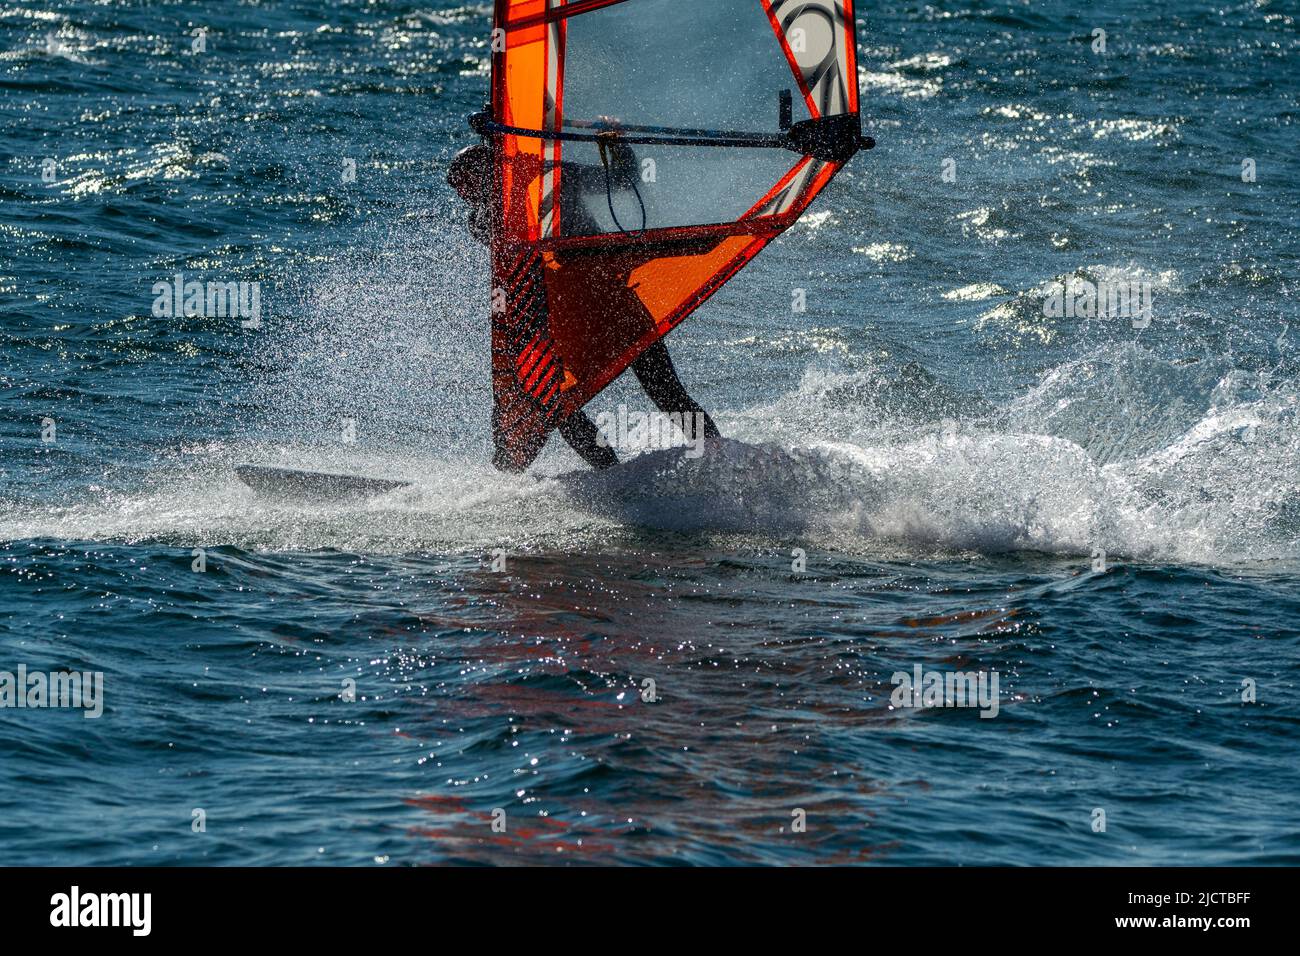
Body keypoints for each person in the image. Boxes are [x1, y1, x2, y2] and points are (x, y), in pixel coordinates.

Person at [448, 128, 721, 471]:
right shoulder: (487, 219)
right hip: (573, 313)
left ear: (489, 170)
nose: (463, 195)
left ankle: (715, 454)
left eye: (466, 183)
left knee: (661, 390)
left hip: (602, 302)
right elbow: (509, 205)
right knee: (562, 403)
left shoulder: (553, 176)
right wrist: (501, 140)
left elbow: (622, 179)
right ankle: (609, 472)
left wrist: (615, 143)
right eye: (461, 188)